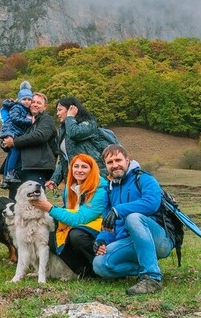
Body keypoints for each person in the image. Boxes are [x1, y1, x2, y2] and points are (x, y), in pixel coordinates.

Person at [92, 144, 174, 295]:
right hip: (129, 242)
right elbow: (107, 223)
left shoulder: (144, 178)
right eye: (110, 162)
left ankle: (152, 278)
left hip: (159, 239)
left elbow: (151, 203)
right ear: (105, 166)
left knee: (133, 217)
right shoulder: (110, 190)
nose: (115, 165)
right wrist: (102, 239)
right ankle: (146, 266)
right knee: (99, 265)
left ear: (127, 160)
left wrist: (119, 210)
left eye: (118, 160)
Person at [29, 153, 107, 278]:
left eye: (84, 167)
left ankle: (100, 269)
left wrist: (49, 208)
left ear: (92, 170)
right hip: (75, 225)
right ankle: (83, 271)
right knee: (47, 236)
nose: (79, 170)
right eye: (76, 166)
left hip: (97, 230)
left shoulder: (100, 190)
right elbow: (69, 210)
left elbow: (80, 219)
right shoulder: (70, 189)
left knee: (77, 235)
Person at [1, 92, 58, 200]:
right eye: (33, 102)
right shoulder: (24, 120)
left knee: (35, 204)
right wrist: (5, 143)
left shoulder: (46, 119)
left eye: (39, 103)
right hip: (17, 172)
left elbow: (40, 136)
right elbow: (10, 137)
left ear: (45, 107)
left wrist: (14, 142)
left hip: (35, 168)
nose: (35, 104)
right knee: (15, 205)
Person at [46, 97, 106, 191]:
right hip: (74, 180)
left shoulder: (89, 124)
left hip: (93, 178)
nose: (57, 113)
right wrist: (54, 179)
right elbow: (64, 160)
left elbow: (75, 133)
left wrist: (70, 117)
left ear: (71, 109)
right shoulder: (64, 130)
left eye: (60, 110)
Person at [0, 85, 34, 188]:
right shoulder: (17, 107)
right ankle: (10, 173)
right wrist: (30, 121)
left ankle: (5, 178)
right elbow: (15, 119)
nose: (27, 101)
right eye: (24, 99)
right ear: (19, 100)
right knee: (15, 151)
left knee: (10, 154)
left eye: (29, 99)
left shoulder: (23, 108)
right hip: (11, 131)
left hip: (12, 131)